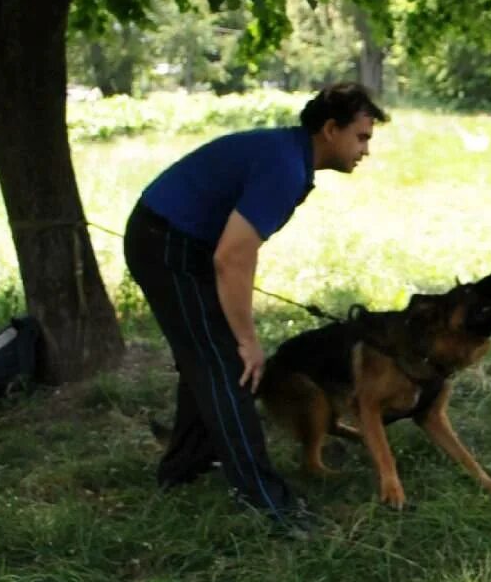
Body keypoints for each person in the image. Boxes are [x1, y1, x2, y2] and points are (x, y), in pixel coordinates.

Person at [123, 83, 387, 537]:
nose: (366, 150)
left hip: (181, 242)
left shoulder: (290, 157)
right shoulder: (285, 166)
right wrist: (248, 340)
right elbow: (233, 258)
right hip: (165, 245)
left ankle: (182, 468)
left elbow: (229, 253)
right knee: (230, 367)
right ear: (330, 129)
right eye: (362, 137)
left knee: (207, 360)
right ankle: (270, 504)